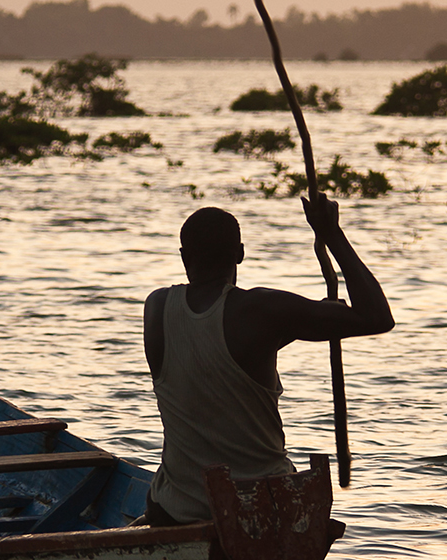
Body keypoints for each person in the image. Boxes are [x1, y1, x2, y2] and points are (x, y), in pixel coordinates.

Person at [142, 195, 394, 525]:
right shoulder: (263, 312)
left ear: (183, 257)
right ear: (241, 254)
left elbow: (221, 347)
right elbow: (377, 318)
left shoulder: (157, 307)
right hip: (263, 506)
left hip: (177, 510)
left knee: (155, 494)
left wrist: (308, 318)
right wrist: (331, 234)